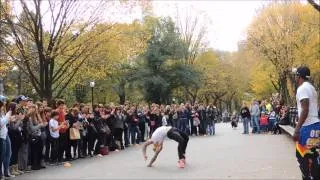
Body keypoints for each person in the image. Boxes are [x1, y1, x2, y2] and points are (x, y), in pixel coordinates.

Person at [293, 66, 320, 180]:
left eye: (296, 75)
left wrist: (297, 129)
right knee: (313, 156)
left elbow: (305, 109)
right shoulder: (312, 88)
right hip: (315, 125)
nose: (295, 77)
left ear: (299, 76)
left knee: (302, 157)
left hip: (307, 127)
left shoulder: (302, 88)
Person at [0, 96, 16, 178]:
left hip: (5, 134)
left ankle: (6, 172)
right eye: (3, 101)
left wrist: (10, 119)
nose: (5, 103)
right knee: (1, 155)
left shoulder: (2, 111)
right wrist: (7, 116)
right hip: (1, 136)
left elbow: (4, 123)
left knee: (8, 153)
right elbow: (1, 124)